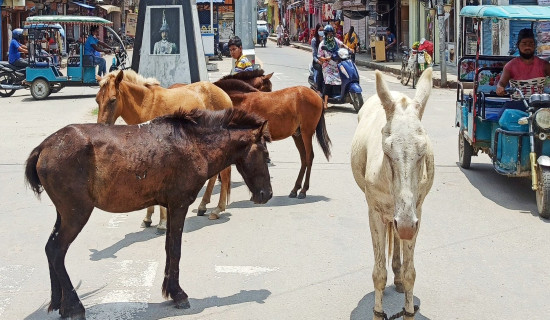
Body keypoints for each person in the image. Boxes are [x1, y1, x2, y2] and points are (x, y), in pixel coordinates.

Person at [497, 28, 550, 99]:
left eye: (531, 43)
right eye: (524, 43)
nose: (528, 47)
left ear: (535, 45)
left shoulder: (544, 65)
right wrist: (500, 88)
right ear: (518, 45)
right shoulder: (510, 66)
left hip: (539, 106)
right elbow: (501, 83)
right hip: (516, 105)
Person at [318, 24, 352, 109]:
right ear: (325, 34)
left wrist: (349, 49)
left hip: (337, 64)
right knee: (329, 80)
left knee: (345, 75)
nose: (330, 35)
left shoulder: (335, 40)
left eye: (331, 33)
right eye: (328, 33)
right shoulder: (322, 44)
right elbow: (320, 57)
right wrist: (326, 59)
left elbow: (342, 44)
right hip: (327, 66)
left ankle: (346, 94)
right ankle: (325, 102)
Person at [311, 23, 324, 92]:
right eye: (320, 30)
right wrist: (319, 61)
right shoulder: (314, 40)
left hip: (325, 60)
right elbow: (314, 55)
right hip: (317, 62)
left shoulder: (326, 39)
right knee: (321, 69)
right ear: (317, 30)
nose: (321, 31)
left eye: (323, 30)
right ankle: (319, 90)